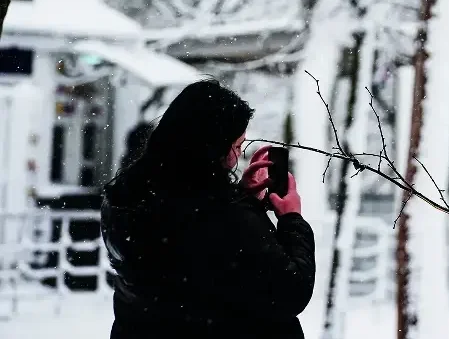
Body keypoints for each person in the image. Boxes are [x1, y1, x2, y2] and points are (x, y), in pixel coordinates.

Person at [101, 79, 315, 339]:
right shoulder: (218, 217)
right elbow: (291, 291)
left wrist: (241, 199)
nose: (238, 157)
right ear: (212, 148)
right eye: (236, 146)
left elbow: (200, 266)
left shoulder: (127, 198)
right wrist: (292, 219)